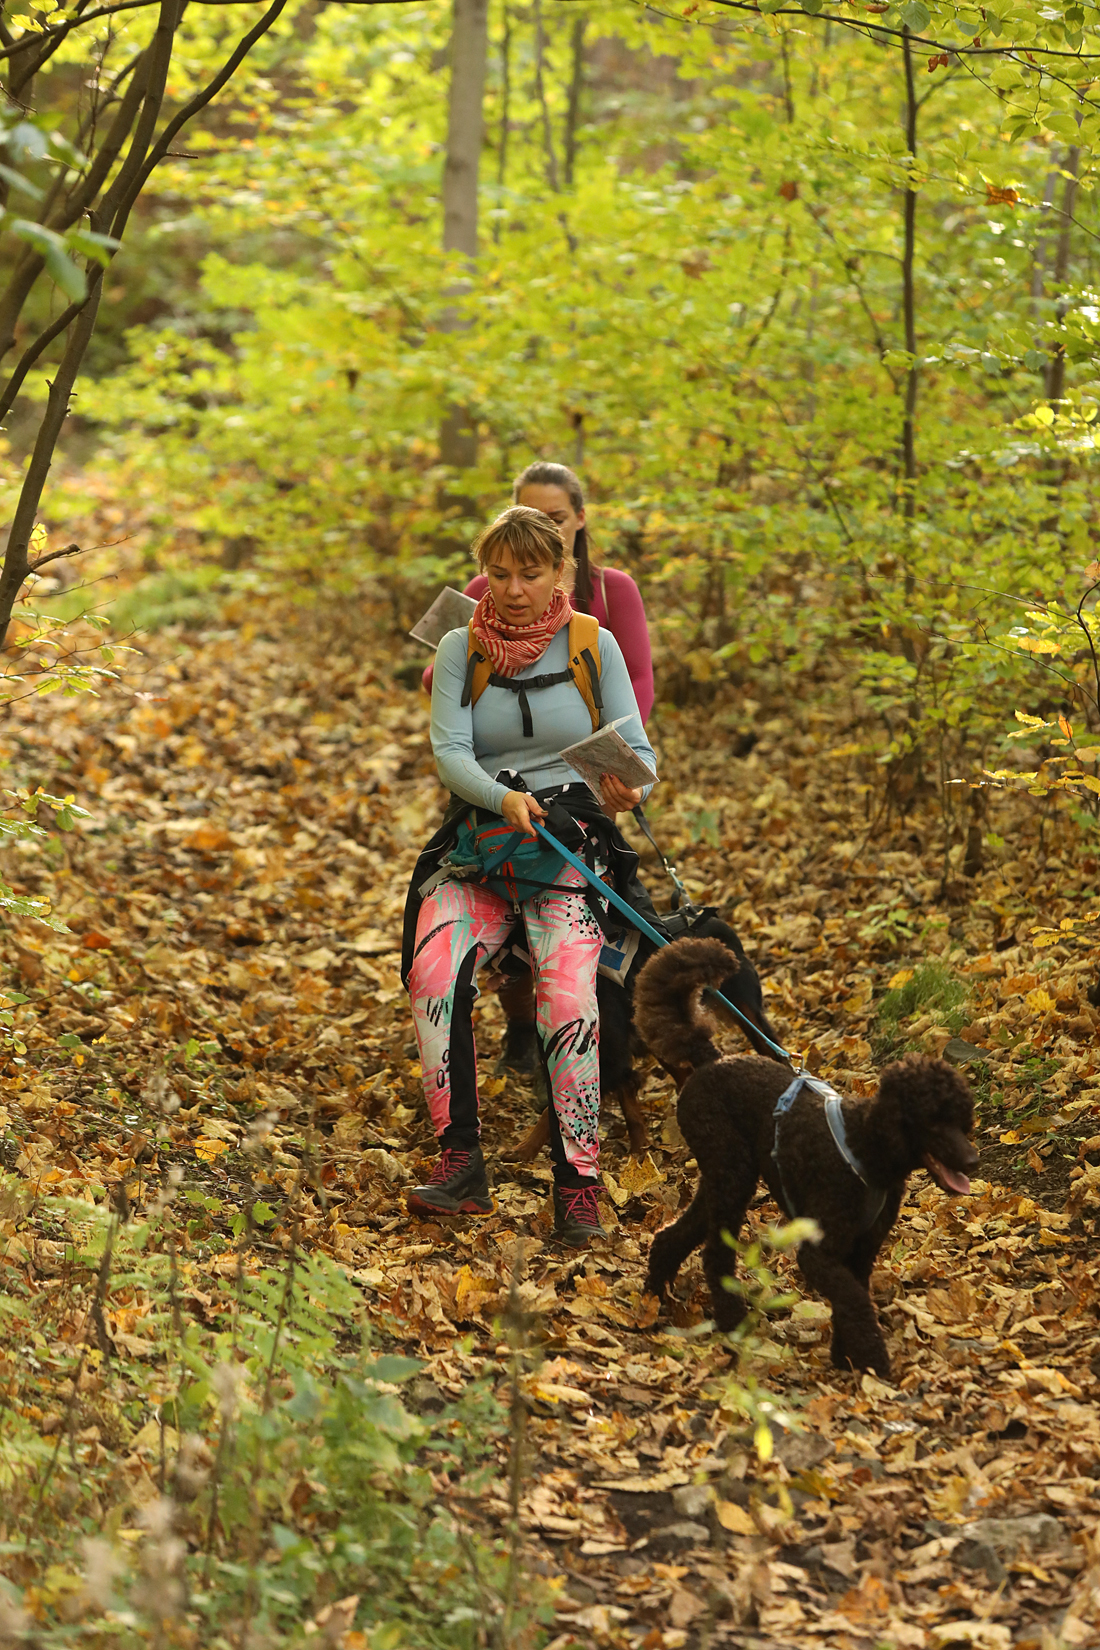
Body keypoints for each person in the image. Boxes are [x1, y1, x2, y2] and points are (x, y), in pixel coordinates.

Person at [401, 505, 657, 1247]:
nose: (513, 590)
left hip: (568, 846)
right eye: (501, 573)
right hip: (481, 843)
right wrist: (501, 797)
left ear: (558, 574)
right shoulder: (461, 646)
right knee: (433, 973)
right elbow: (450, 752)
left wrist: (630, 786)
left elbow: (638, 749)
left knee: (569, 998)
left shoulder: (593, 643)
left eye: (531, 573)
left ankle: (578, 1187)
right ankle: (460, 1164)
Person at [421, 462, 655, 1071]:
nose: (513, 587)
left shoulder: (608, 598)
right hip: (493, 798)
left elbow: (635, 682)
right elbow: (447, 695)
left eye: (554, 517)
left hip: (582, 792)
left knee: (588, 939)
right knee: (497, 917)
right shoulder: (483, 595)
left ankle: (601, 1050)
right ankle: (521, 1027)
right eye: (501, 573)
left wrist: (623, 774)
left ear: (575, 526)